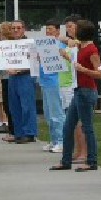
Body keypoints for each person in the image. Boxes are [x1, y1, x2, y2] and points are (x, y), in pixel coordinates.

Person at [50, 19, 101, 171]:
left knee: (87, 127)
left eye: (76, 28)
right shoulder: (79, 47)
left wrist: (83, 70)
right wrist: (66, 56)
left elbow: (99, 73)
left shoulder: (91, 50)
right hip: (78, 89)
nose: (73, 31)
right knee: (68, 126)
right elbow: (72, 53)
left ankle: (91, 160)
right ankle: (65, 160)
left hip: (87, 90)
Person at [57, 14, 87, 163]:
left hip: (73, 83)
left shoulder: (78, 43)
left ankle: (84, 152)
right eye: (66, 26)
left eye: (71, 26)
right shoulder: (68, 44)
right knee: (71, 121)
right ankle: (77, 150)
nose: (68, 29)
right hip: (64, 82)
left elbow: (78, 62)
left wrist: (66, 55)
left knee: (78, 121)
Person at [7, 20, 38, 144]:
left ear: (23, 29)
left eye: (18, 28)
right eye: (13, 28)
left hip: (26, 76)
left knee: (27, 105)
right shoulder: (8, 45)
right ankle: (18, 132)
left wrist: (20, 69)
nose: (16, 30)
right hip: (12, 77)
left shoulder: (30, 44)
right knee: (14, 105)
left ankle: (29, 133)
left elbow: (34, 62)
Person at [38, 19, 66, 153]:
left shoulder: (61, 44)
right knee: (48, 114)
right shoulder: (43, 45)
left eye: (51, 29)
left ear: (57, 31)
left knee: (57, 113)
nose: (48, 31)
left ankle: (61, 141)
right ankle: (54, 140)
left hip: (55, 81)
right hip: (44, 81)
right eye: (47, 29)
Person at [0, 22, 16, 141]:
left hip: (10, 76)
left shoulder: (12, 44)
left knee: (10, 104)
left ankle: (14, 130)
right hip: (4, 75)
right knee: (6, 104)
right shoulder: (2, 44)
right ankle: (12, 130)